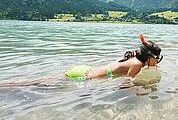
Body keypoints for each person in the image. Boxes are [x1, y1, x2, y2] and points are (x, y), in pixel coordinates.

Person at [0, 35, 163, 87]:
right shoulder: (137, 64)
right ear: (149, 58)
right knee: (36, 84)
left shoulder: (133, 58)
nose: (157, 63)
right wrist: (141, 91)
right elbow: (127, 83)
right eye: (156, 59)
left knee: (42, 81)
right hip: (87, 76)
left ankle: (9, 84)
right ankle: (8, 86)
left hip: (86, 69)